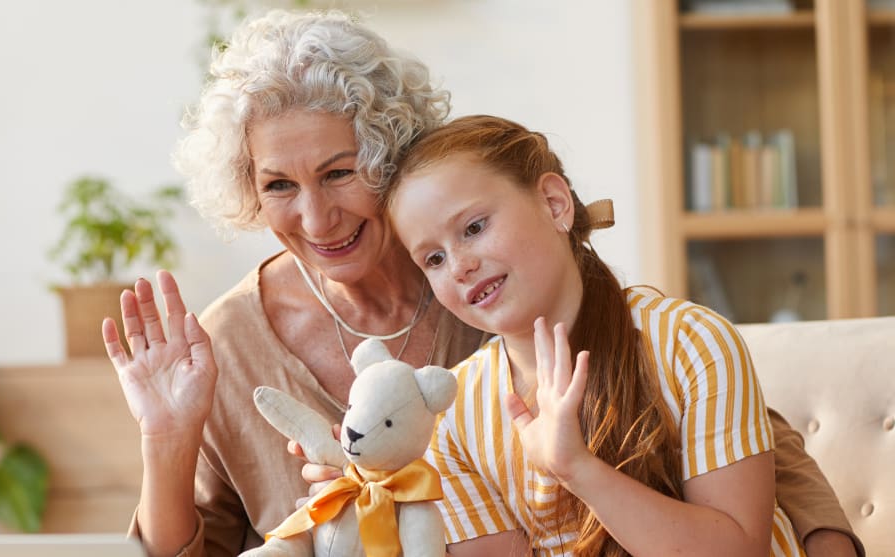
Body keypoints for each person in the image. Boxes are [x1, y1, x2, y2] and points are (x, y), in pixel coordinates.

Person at [99, 9, 860, 557]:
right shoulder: (227, 344)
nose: (316, 215)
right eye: (276, 186)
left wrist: (827, 539)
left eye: (339, 171)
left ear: (392, 161)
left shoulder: (497, 290)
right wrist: (165, 442)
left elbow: (733, 426)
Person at [382, 114, 862, 556]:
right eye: (434, 259)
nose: (460, 266)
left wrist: (576, 468)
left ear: (554, 203)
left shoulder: (692, 343)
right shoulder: (453, 417)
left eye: (474, 227)